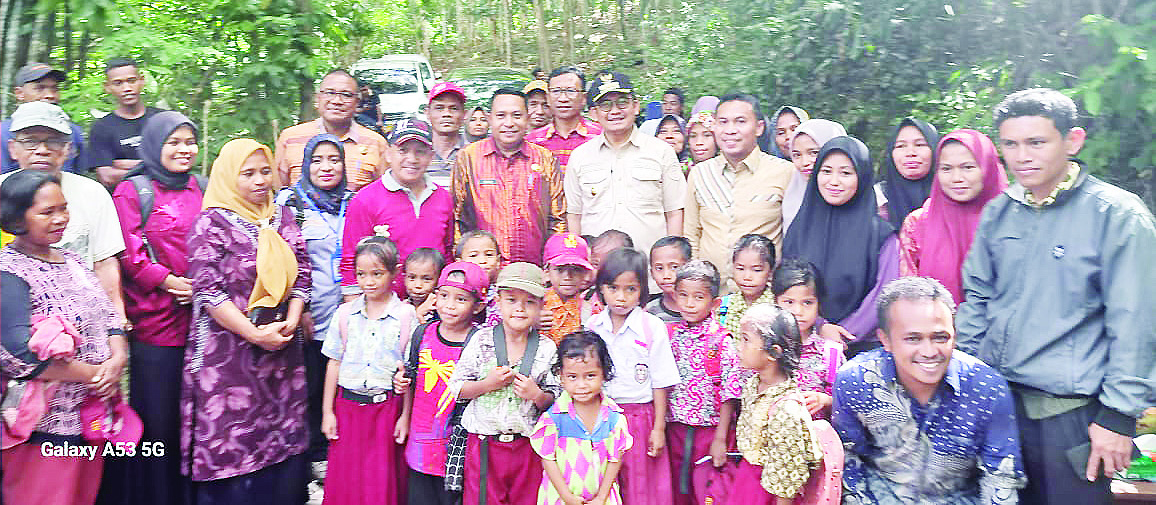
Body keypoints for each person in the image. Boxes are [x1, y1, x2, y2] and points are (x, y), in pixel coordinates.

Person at [956, 88, 1156, 504]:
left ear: (1073, 141)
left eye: (1036, 142)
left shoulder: (1116, 215)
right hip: (1000, 406)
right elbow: (976, 302)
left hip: (1073, 416)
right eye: (1010, 144)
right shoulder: (1000, 211)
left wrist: (1118, 416)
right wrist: (966, 389)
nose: (1021, 156)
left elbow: (1135, 322)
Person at [183, 138, 312, 503]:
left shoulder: (282, 216)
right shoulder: (210, 223)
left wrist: (291, 319)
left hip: (282, 352)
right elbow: (209, 291)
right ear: (227, 177)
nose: (259, 181)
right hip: (229, 355)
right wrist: (254, 334)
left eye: (265, 172)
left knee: (280, 442)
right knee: (233, 440)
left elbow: (303, 272)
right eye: (248, 173)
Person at [834, 277, 1026, 503]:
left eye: (940, 337)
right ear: (885, 340)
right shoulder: (856, 381)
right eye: (913, 338)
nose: (929, 351)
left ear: (954, 335)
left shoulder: (987, 389)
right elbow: (848, 461)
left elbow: (1001, 479)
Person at [0, 170, 128, 505]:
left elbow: (108, 314)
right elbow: (15, 355)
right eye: (47, 212)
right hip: (43, 425)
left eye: (64, 208)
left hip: (88, 415)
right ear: (15, 217)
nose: (61, 219)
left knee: (82, 496)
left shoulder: (72, 261)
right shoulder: (9, 271)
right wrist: (95, 374)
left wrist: (117, 359)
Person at [110, 111, 204, 505]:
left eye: (189, 142)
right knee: (158, 419)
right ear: (154, 146)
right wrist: (169, 282)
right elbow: (128, 255)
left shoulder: (199, 186)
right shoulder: (133, 191)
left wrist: (202, 284)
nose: (184, 150)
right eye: (174, 143)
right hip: (155, 324)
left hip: (200, 320)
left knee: (193, 417)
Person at [1, 101, 126, 323]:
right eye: (30, 141)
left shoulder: (92, 193)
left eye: (53, 141)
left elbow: (104, 263)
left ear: (68, 149)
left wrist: (117, 323)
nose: (42, 150)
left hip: (83, 323)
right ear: (13, 148)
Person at [447, 262, 562, 505]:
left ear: (542, 306)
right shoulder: (482, 340)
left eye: (529, 302)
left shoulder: (546, 348)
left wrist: (536, 395)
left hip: (528, 446)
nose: (519, 309)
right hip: (485, 445)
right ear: (497, 301)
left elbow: (557, 398)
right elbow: (456, 389)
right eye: (511, 300)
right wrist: (486, 385)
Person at [274, 133, 356, 471]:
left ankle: (340, 451)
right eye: (318, 160)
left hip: (351, 311)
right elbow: (280, 259)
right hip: (309, 310)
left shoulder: (355, 202)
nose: (327, 167)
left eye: (334, 160)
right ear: (306, 164)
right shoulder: (290, 203)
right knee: (308, 382)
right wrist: (301, 306)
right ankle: (310, 456)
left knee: (343, 383)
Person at [321, 236, 417, 505]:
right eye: (361, 274)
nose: (369, 281)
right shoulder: (343, 314)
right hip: (347, 408)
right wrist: (328, 412)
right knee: (346, 479)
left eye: (377, 273)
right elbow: (334, 362)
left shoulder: (407, 316)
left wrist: (405, 416)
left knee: (381, 481)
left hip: (386, 409)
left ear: (395, 272)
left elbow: (408, 372)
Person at [782, 136, 899, 354]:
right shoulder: (800, 228)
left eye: (845, 173)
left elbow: (885, 294)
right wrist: (819, 325)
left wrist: (844, 332)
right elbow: (786, 284)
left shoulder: (881, 235)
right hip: (803, 342)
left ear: (862, 178)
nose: (833, 181)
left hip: (863, 349)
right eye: (826, 171)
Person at [585, 247, 679, 505]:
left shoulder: (651, 327)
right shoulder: (593, 326)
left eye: (630, 289)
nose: (621, 297)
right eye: (613, 288)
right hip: (600, 414)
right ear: (601, 288)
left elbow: (661, 381)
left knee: (640, 484)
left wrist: (659, 427)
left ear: (642, 291)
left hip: (640, 417)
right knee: (603, 480)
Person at [393, 260, 487, 505]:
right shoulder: (422, 334)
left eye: (461, 299)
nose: (450, 305)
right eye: (444, 295)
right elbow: (411, 379)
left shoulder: (479, 341)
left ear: (477, 306)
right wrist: (404, 413)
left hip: (457, 445)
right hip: (419, 441)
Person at [565, 71, 686, 256]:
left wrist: (672, 261)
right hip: (598, 274)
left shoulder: (661, 152)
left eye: (622, 102)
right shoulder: (580, 157)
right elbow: (574, 216)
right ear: (593, 113)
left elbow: (675, 211)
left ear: (636, 106)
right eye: (605, 105)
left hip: (650, 274)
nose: (615, 111)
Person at [684, 93, 793, 291]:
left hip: (763, 298)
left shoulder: (784, 172)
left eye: (740, 121)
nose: (730, 130)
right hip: (710, 298)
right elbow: (692, 234)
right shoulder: (700, 174)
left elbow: (793, 236)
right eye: (723, 122)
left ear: (759, 127)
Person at [341, 118, 454, 299]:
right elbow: (350, 259)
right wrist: (354, 308)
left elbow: (447, 252)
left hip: (433, 305)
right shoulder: (365, 200)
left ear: (431, 156)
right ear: (388, 154)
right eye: (403, 150)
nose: (412, 159)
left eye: (420, 152)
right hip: (383, 306)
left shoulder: (443, 198)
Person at [452, 89, 565, 265]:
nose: (509, 123)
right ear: (490, 119)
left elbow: (558, 219)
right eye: (501, 115)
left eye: (517, 115)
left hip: (534, 269)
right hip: (483, 270)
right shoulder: (468, 157)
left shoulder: (545, 159)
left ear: (527, 118)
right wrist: (464, 264)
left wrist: (553, 264)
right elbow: (457, 217)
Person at [665, 260, 746, 505]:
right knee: (677, 486)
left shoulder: (721, 341)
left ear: (714, 303)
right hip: (675, 427)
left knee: (707, 488)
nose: (689, 304)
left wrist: (721, 438)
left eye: (698, 297)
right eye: (683, 295)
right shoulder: (669, 335)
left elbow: (731, 392)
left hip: (709, 431)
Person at [898, 129, 1008, 304]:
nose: (957, 178)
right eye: (946, 168)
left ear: (988, 168)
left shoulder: (1012, 220)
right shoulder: (918, 223)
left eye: (968, 167)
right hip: (937, 328)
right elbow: (909, 296)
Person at [732, 304, 822, 502]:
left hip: (767, 493)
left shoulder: (786, 409)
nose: (738, 346)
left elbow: (786, 477)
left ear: (773, 352)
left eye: (746, 340)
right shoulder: (752, 386)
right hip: (746, 480)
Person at [531, 331, 633, 505]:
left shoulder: (614, 419)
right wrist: (567, 497)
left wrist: (601, 497)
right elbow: (548, 460)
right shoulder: (553, 419)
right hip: (560, 499)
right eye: (572, 377)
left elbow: (614, 460)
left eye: (590, 375)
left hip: (602, 499)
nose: (581, 385)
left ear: (604, 373)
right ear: (561, 376)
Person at [274, 69, 388, 191]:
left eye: (346, 95)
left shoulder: (376, 143)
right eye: (329, 93)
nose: (336, 101)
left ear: (357, 102)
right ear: (317, 98)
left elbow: (385, 197)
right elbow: (277, 192)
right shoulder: (290, 138)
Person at [770, 259, 844, 420]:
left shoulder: (830, 353)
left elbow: (847, 401)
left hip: (816, 440)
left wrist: (826, 400)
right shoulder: (763, 346)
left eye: (808, 302)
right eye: (789, 302)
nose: (798, 311)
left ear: (819, 304)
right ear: (775, 301)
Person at [85, 58, 163, 189]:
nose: (127, 88)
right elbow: (107, 177)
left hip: (166, 200)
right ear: (107, 87)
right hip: (124, 202)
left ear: (142, 81)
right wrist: (153, 167)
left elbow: (176, 163)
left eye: (131, 81)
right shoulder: (101, 128)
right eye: (118, 83)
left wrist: (124, 165)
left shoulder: (162, 119)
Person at [1, 62, 85, 174]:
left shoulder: (73, 132)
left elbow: (79, 175)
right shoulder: (3, 133)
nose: (50, 95)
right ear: (19, 93)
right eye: (40, 88)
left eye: (55, 89)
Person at [526, 66, 602, 171]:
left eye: (571, 91)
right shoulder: (532, 141)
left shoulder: (601, 137)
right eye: (556, 91)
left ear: (584, 98)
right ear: (548, 98)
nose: (563, 98)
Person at [783, 118, 846, 233]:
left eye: (814, 153)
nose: (805, 162)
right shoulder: (792, 199)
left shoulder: (858, 200)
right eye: (797, 155)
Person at [878, 117, 940, 228]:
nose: (910, 153)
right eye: (901, 146)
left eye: (920, 145)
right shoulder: (878, 200)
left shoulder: (952, 194)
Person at [717, 234, 776, 337]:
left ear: (770, 271)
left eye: (757, 270)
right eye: (740, 268)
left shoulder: (777, 307)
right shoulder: (723, 306)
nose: (747, 277)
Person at [542, 233, 596, 344]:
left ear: (585, 273)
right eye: (560, 269)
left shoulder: (592, 310)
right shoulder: (537, 305)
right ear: (547, 273)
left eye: (575, 269)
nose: (568, 277)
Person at [426, 82, 470, 188]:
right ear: (427, 113)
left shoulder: (473, 153)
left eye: (454, 108)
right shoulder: (416, 152)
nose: (447, 114)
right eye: (439, 108)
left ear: (464, 114)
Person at [645, 235, 691, 324]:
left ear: (689, 267)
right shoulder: (649, 313)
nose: (666, 275)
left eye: (674, 267)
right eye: (659, 268)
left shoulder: (700, 308)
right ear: (652, 273)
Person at [402, 247, 446, 321]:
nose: (418, 285)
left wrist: (420, 317)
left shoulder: (441, 311)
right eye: (412, 277)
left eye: (426, 279)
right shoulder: (400, 307)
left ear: (439, 279)